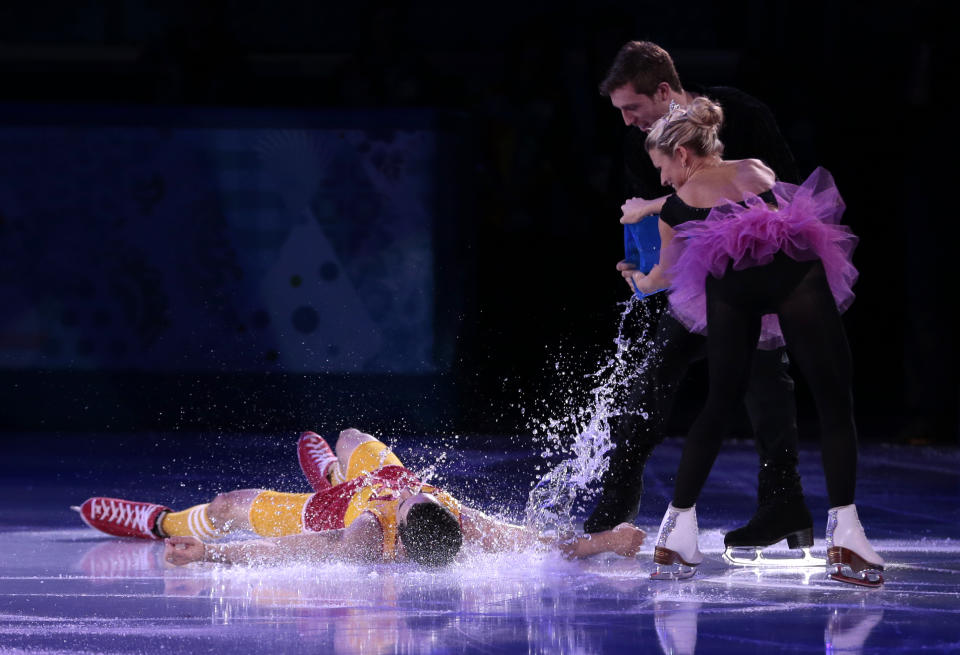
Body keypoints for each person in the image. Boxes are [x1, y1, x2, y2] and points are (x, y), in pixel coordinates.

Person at [633, 98, 882, 587]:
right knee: (833, 401)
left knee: (720, 401)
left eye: (662, 167)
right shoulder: (754, 168)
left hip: (731, 284)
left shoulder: (677, 207)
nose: (662, 180)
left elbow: (661, 276)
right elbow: (751, 200)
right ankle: (847, 538)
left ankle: (676, 534)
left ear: (682, 155)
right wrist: (654, 203)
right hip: (791, 274)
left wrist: (636, 278)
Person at [588, 41, 813, 567]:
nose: (627, 121)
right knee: (652, 377)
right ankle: (617, 503)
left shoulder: (744, 115)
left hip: (755, 277)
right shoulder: (636, 146)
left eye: (633, 108)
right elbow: (661, 225)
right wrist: (644, 271)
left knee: (766, 383)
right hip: (694, 283)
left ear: (664, 92)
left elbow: (783, 194)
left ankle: (785, 505)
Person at [74, 429, 646, 567]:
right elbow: (547, 546)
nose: (416, 496)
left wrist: (211, 554)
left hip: (340, 505)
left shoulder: (364, 534)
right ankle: (332, 471)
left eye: (410, 502)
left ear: (397, 521)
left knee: (227, 503)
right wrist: (613, 540)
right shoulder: (451, 515)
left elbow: (294, 550)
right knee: (350, 437)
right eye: (426, 498)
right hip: (372, 480)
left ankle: (161, 521)